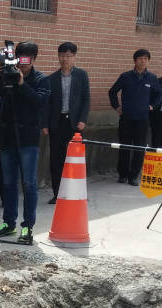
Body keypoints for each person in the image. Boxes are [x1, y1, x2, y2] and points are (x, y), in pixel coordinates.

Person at [0, 41, 50, 243]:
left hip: (28, 139)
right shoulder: (8, 75)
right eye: (20, 59)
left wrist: (22, 83)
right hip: (7, 137)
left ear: (33, 59)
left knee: (29, 183)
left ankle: (28, 227)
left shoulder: (41, 79)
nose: (22, 64)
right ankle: (9, 223)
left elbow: (39, 103)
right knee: (8, 183)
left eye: (27, 60)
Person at [42, 42, 90, 204]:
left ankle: (76, 193)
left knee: (75, 160)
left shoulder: (82, 76)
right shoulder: (51, 79)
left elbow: (86, 99)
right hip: (57, 124)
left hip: (75, 124)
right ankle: (58, 194)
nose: (65, 59)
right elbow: (47, 104)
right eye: (62, 55)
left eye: (68, 56)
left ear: (75, 57)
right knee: (56, 160)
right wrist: (45, 124)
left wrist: (83, 119)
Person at [109, 49, 162, 186]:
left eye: (145, 58)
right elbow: (112, 92)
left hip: (142, 120)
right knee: (124, 148)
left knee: (139, 149)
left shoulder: (152, 78)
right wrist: (117, 107)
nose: (142, 61)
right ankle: (122, 175)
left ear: (148, 61)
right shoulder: (125, 76)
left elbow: (159, 95)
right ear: (135, 60)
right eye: (140, 58)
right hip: (126, 118)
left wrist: (153, 106)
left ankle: (133, 176)